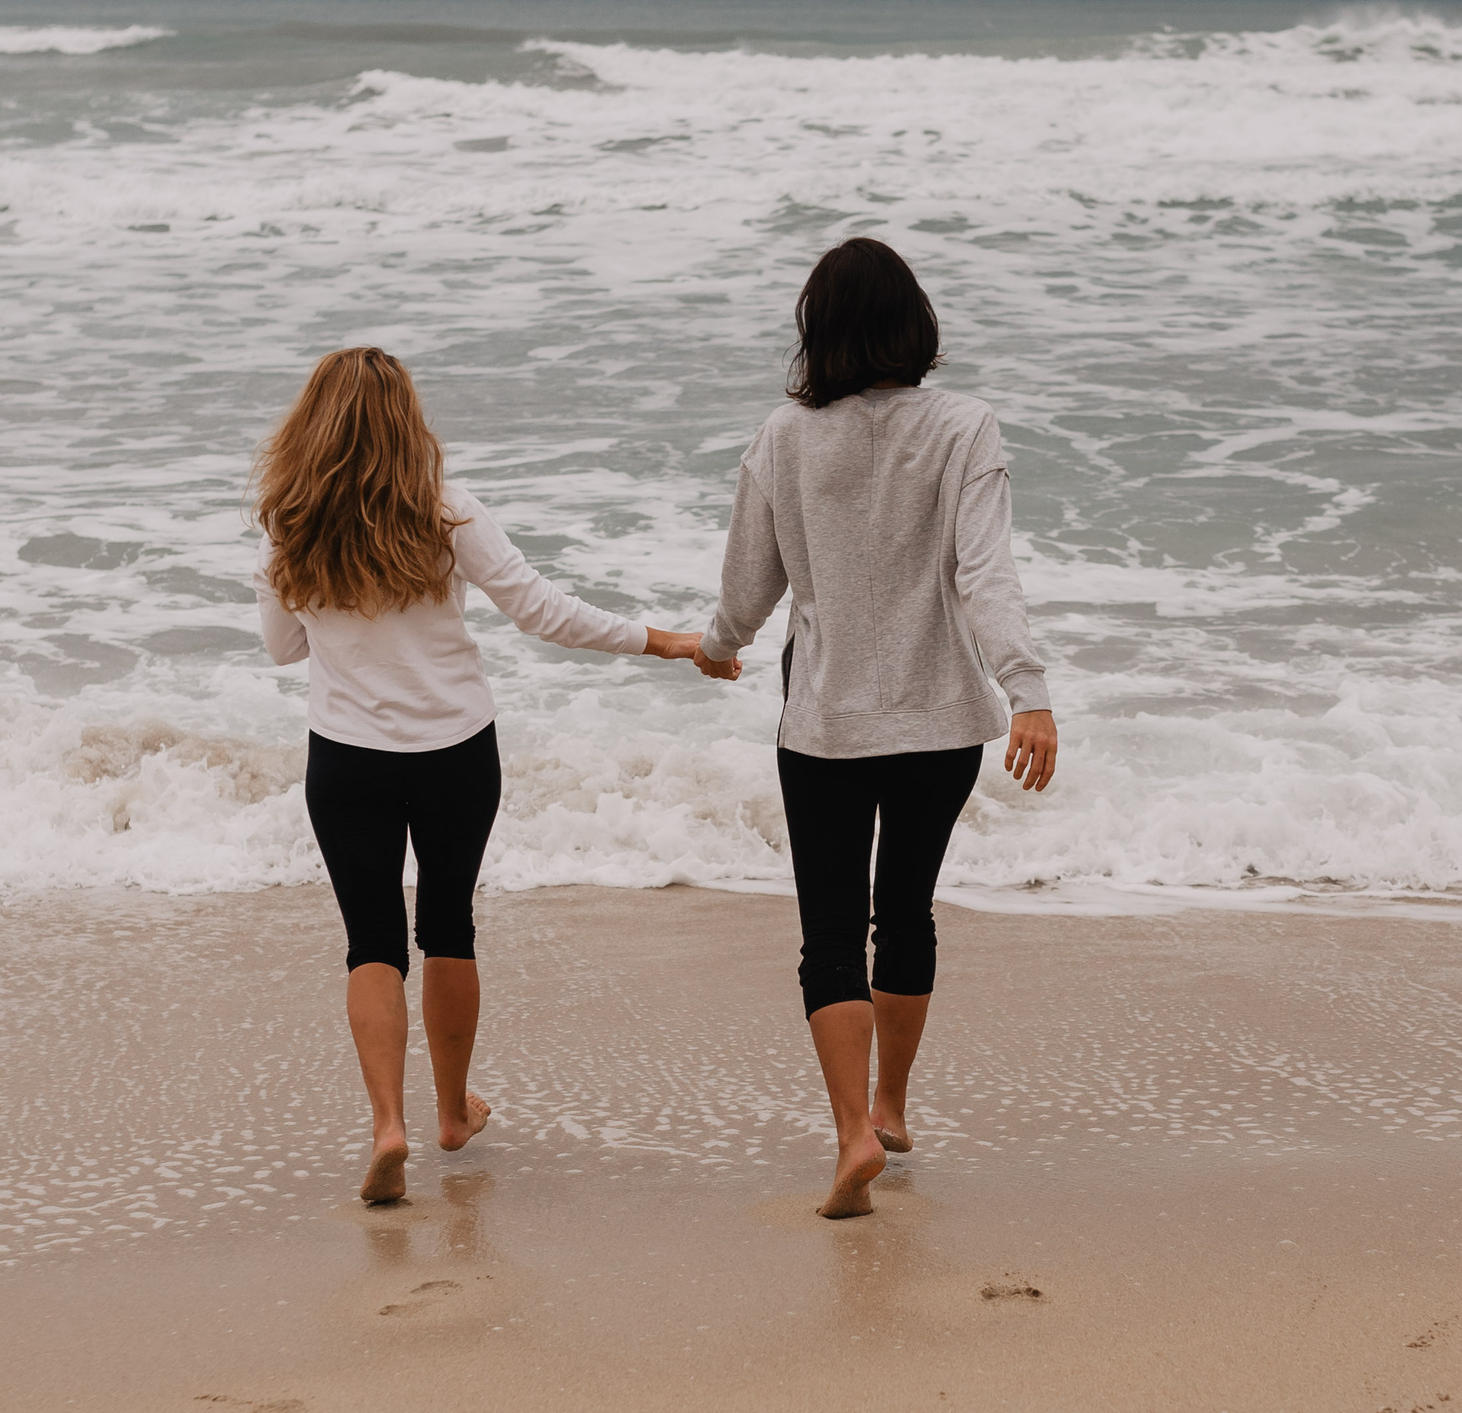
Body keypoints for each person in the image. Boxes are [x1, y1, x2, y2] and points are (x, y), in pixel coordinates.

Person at [253, 347, 723, 1204]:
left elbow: (281, 650)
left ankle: (386, 1125)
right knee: (447, 924)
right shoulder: (446, 512)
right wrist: (666, 640)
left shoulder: (290, 518)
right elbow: (541, 609)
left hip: (347, 758)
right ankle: (451, 1113)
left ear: (312, 424)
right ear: (405, 418)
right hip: (456, 752)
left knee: (371, 942)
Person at [697, 238, 1058, 1220]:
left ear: (818, 331)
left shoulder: (782, 436)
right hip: (941, 721)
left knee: (828, 937)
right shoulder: (964, 427)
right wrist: (1025, 691)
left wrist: (718, 644)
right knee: (905, 915)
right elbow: (986, 574)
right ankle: (892, 1105)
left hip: (823, 724)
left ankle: (852, 1133)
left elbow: (748, 585)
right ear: (915, 323)